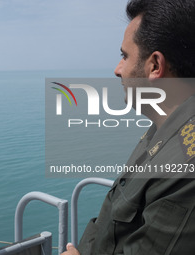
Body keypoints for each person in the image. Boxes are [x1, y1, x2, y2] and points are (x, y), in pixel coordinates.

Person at [62, 0, 195, 254]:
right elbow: (111, 219)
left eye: (125, 56)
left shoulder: (186, 166)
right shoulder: (161, 130)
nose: (117, 70)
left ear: (155, 65)